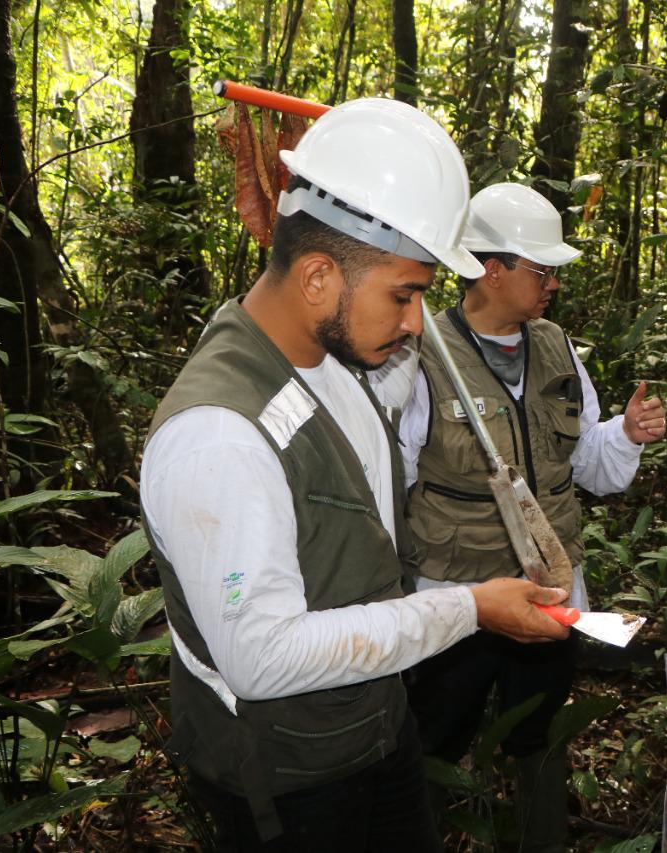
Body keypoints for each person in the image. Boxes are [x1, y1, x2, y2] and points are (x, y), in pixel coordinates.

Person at [140, 99, 570, 852]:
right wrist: (469, 609)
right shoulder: (218, 436)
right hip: (292, 779)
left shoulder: (335, 361)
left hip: (375, 730)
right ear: (316, 277)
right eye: (404, 294)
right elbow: (263, 656)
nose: (416, 323)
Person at [394, 182, 667, 851]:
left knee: (539, 734)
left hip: (551, 592)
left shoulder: (557, 347)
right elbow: (392, 477)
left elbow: (589, 465)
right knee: (436, 736)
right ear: (492, 269)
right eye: (542, 271)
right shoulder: (422, 353)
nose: (553, 284)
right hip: (459, 592)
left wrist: (627, 434)